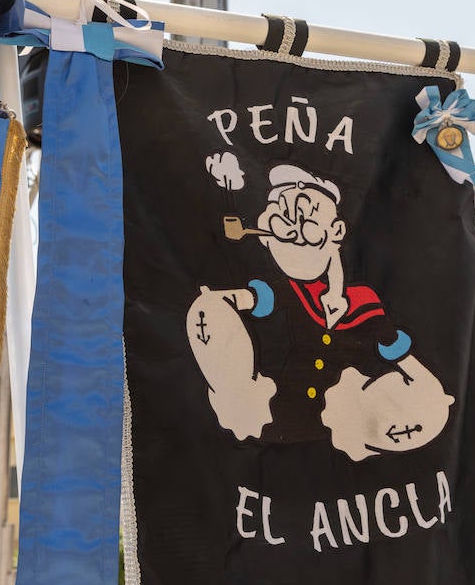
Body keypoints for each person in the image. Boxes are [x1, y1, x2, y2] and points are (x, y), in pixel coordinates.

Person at [188, 163, 453, 460]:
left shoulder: (364, 302)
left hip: (345, 421)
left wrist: (427, 396)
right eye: (281, 225)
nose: (295, 235)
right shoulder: (291, 290)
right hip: (280, 414)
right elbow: (255, 298)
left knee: (395, 410)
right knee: (211, 312)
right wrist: (223, 304)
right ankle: (236, 391)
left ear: (336, 231)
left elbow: (398, 354)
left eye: (308, 224)